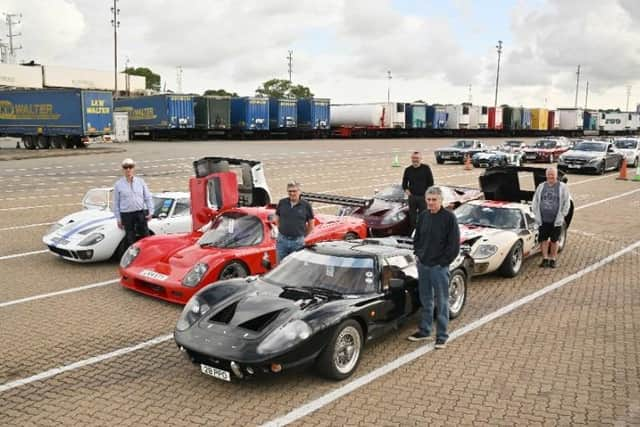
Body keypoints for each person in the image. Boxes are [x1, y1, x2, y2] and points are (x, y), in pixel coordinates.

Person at [409, 186, 460, 349]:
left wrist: (443, 262)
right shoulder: (423, 215)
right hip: (423, 265)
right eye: (428, 200)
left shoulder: (449, 218)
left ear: (441, 200)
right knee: (426, 300)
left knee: (442, 301)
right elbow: (417, 237)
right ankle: (425, 331)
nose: (431, 203)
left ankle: (442, 335)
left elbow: (454, 245)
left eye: (434, 200)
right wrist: (418, 253)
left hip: (439, 267)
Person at [532, 167, 571, 268]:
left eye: (552, 174)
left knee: (554, 240)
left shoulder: (562, 187)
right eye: (549, 174)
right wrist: (536, 213)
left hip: (556, 220)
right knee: (543, 239)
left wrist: (562, 215)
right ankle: (545, 259)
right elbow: (535, 200)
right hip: (543, 219)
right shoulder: (541, 186)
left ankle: (553, 259)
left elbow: (566, 202)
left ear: (556, 175)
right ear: (546, 175)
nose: (551, 176)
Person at [113, 158, 154, 248]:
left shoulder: (141, 182)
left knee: (145, 235)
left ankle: (146, 255)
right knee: (130, 237)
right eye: (125, 167)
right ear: (122, 169)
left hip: (140, 212)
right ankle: (133, 257)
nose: (128, 169)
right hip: (126, 215)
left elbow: (148, 197)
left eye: (130, 167)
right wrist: (119, 219)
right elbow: (116, 203)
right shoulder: (118, 184)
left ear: (133, 168)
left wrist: (151, 212)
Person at [273, 181, 314, 263]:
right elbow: (276, 219)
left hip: (297, 242)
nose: (292, 193)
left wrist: (302, 236)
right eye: (290, 191)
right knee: (280, 266)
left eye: (294, 191)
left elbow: (311, 225)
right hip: (282, 241)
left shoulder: (306, 205)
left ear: (299, 192)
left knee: (295, 266)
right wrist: (282, 230)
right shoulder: (282, 202)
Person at [402, 151, 434, 234]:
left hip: (423, 197)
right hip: (412, 197)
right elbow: (404, 184)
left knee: (423, 216)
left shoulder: (426, 168)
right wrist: (407, 191)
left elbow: (431, 183)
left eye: (417, 158)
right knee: (412, 217)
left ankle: (423, 232)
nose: (415, 160)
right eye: (413, 158)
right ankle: (413, 232)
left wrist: (427, 194)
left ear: (420, 159)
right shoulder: (408, 170)